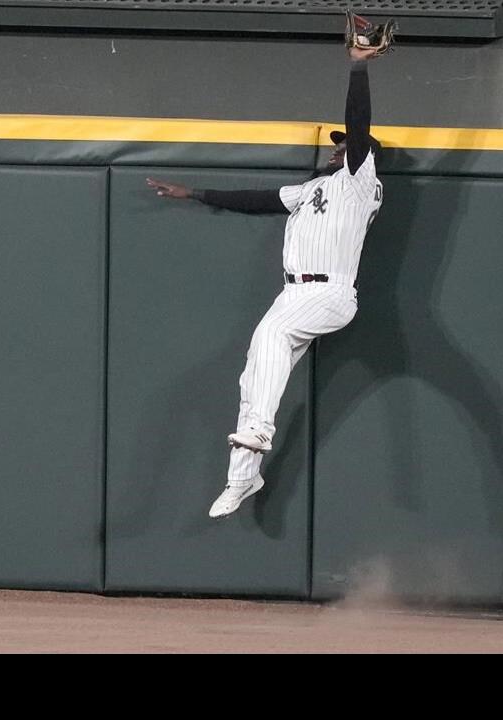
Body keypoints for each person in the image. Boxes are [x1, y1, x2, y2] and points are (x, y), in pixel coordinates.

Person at [146, 43, 385, 519]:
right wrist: (193, 193)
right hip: (296, 293)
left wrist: (358, 68)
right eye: (337, 145)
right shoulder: (312, 188)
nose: (337, 147)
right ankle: (242, 478)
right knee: (255, 372)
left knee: (270, 336)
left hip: (328, 290)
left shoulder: (359, 180)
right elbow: (257, 200)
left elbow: (358, 126)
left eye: (342, 145)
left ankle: (258, 431)